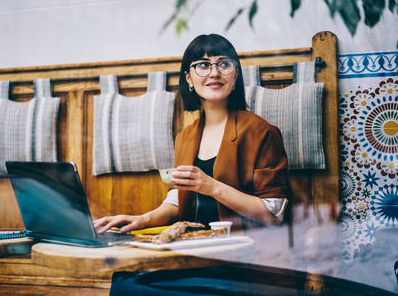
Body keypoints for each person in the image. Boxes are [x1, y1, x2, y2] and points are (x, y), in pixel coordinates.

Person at [93, 34, 290, 235]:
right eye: (203, 65)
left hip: (242, 254)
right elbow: (179, 199)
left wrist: (211, 186)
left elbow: (272, 215)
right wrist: (142, 220)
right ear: (188, 77)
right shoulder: (185, 137)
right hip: (193, 245)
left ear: (235, 76)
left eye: (223, 64)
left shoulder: (262, 132)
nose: (214, 73)